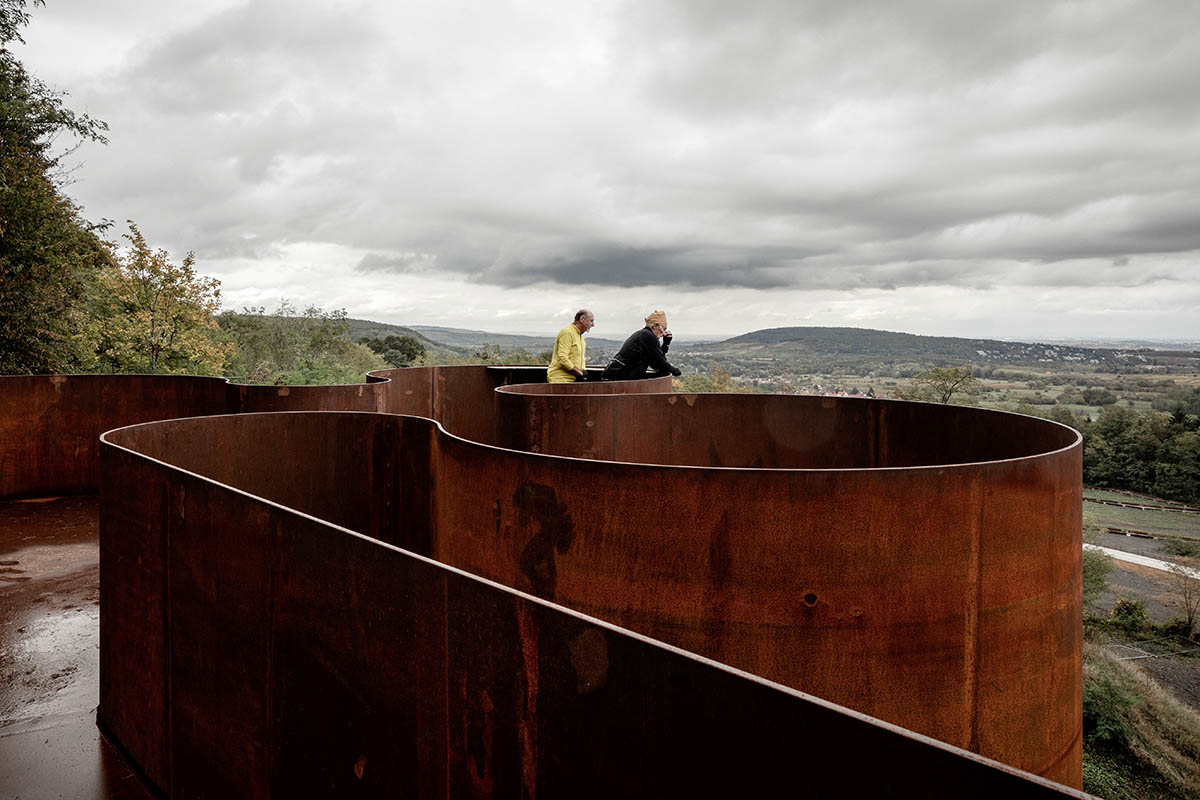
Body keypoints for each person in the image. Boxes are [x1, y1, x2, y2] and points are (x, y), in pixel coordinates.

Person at [601, 310, 681, 381]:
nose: (663, 333)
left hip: (617, 374)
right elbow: (660, 362)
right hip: (619, 376)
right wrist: (675, 371)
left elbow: (655, 362)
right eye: (663, 329)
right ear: (655, 326)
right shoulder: (648, 336)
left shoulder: (644, 335)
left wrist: (666, 343)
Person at [546, 309, 594, 383]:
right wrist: (579, 372)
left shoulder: (580, 336)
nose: (593, 324)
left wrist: (582, 373)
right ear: (582, 319)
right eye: (591, 321)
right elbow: (562, 358)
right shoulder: (567, 332)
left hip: (573, 380)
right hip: (561, 380)